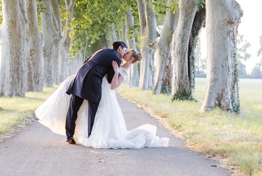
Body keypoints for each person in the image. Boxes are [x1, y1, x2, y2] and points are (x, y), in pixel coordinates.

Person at [35, 45, 169, 149]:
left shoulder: (124, 70)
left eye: (127, 53)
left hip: (104, 91)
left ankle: (91, 135)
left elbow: (114, 86)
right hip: (97, 86)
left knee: (97, 114)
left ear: (132, 58)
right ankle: (77, 134)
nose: (124, 54)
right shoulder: (118, 62)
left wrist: (116, 72)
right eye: (125, 51)